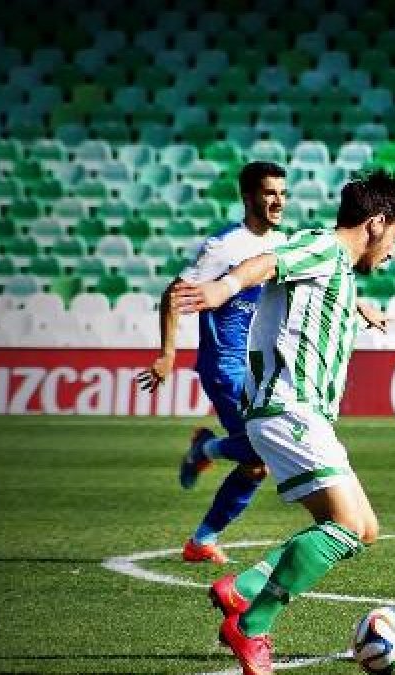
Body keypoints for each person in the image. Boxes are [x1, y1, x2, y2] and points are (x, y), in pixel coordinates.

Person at [171, 170, 395, 675]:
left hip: (303, 414)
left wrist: (357, 307)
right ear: (375, 223)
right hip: (289, 408)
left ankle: (242, 588)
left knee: (365, 529)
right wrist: (221, 289)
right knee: (345, 528)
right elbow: (268, 262)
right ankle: (251, 625)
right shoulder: (323, 247)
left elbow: (306, 283)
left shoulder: (336, 267)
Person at [138, 161, 290, 565]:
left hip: (262, 368)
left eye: (283, 193)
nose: (279, 201)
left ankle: (202, 535)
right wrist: (167, 353)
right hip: (225, 364)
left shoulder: (284, 244)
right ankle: (204, 458)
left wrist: (360, 307)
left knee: (257, 463)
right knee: (261, 452)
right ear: (248, 197)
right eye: (270, 193)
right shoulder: (223, 247)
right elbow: (175, 294)